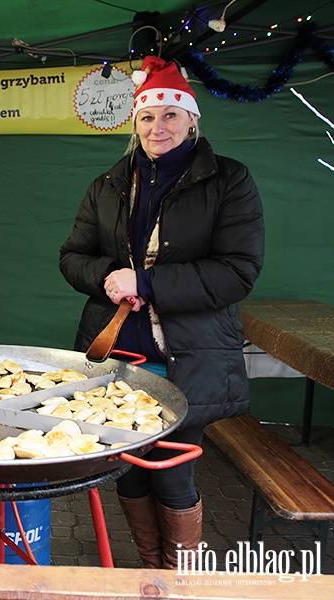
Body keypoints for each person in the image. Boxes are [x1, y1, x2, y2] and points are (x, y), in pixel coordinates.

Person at [59, 56, 264, 569]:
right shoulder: (107, 184)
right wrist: (107, 277)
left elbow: (238, 271)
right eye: (148, 117)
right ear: (135, 123)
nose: (159, 126)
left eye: (172, 115)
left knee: (171, 472)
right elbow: (71, 256)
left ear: (192, 120)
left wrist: (148, 281)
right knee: (126, 469)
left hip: (187, 357)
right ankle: (152, 569)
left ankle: (180, 577)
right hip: (118, 357)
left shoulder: (229, 182)